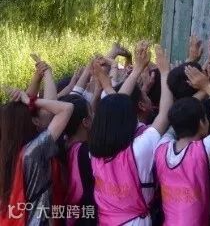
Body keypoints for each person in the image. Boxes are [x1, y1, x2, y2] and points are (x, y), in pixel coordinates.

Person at [88, 45, 172, 226]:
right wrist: (165, 73)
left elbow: (115, 109)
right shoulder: (138, 149)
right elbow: (165, 114)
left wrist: (135, 71)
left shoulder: (94, 154)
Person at [154, 66, 210, 226]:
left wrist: (205, 88)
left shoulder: (161, 147)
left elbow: (176, 119)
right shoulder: (203, 150)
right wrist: (207, 87)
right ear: (202, 123)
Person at [0, 81, 74, 226]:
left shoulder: (6, 155)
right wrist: (30, 101)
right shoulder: (33, 151)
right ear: (30, 122)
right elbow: (67, 108)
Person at [60, 94, 97, 226]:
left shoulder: (62, 147)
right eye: (91, 113)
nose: (94, 115)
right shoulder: (87, 152)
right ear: (85, 122)